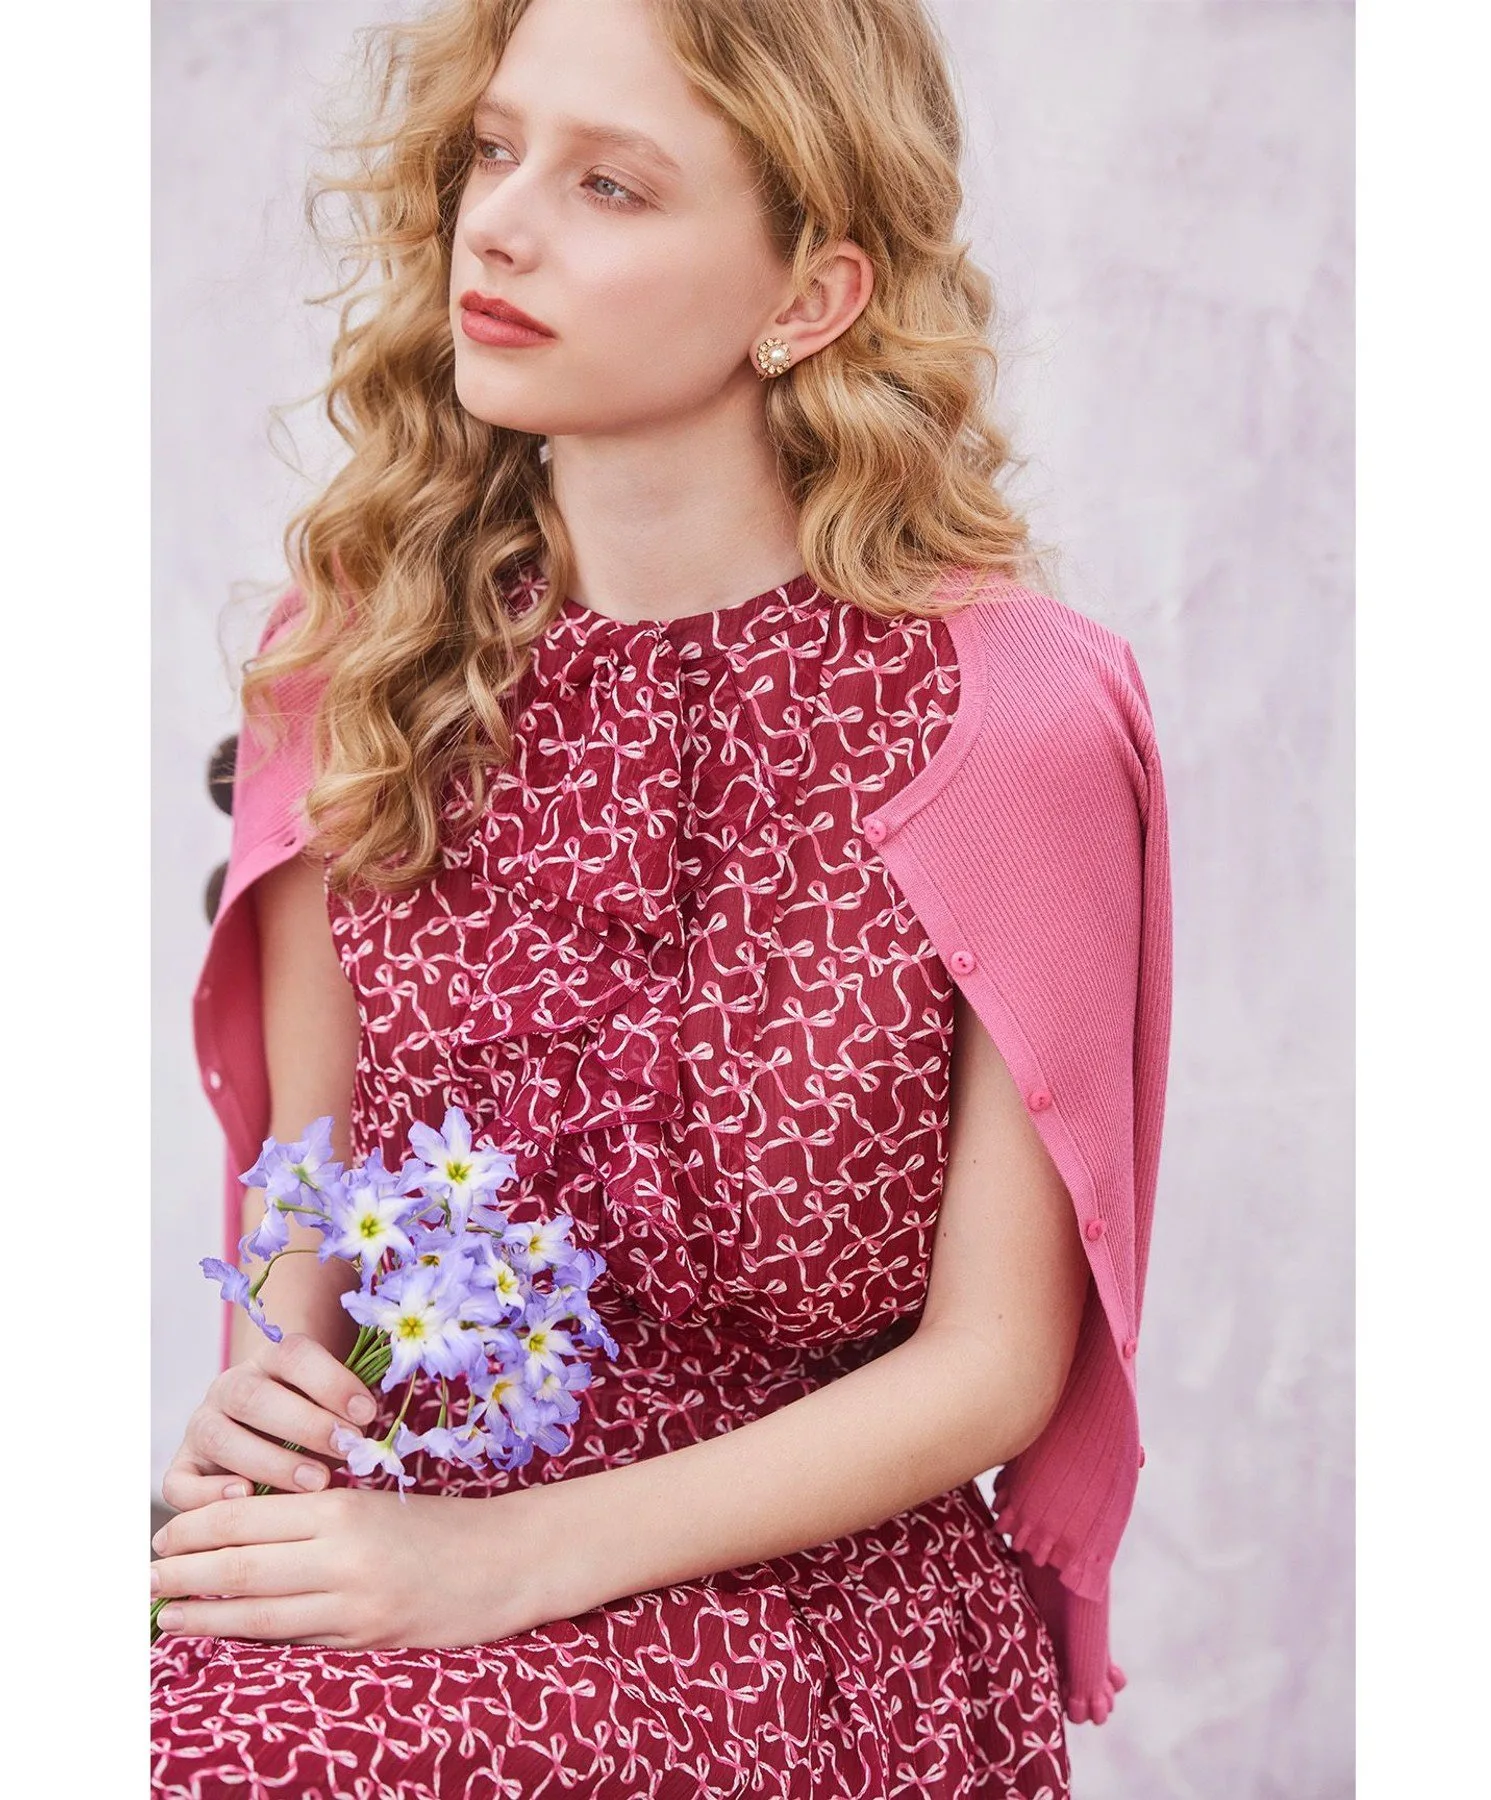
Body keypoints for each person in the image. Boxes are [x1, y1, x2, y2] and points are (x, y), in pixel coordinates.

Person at [149, 0, 1174, 1794]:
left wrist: (496, 1567)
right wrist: (265, 1416)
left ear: (811, 297)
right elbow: (313, 1191)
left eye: (610, 185)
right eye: (494, 150)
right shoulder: (359, 650)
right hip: (397, 1541)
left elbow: (996, 1366)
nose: (498, 224)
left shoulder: (1012, 719)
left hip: (812, 1615)